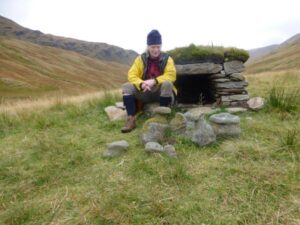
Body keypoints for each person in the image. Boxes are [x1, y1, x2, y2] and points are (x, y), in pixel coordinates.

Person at [121, 29, 177, 133]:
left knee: (167, 83)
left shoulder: (167, 59)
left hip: (162, 91)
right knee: (126, 86)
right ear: (148, 46)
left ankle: (162, 117)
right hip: (145, 91)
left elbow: (171, 75)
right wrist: (141, 84)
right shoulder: (140, 59)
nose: (156, 50)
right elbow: (131, 74)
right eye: (153, 47)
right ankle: (131, 120)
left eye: (158, 47)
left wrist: (154, 81)